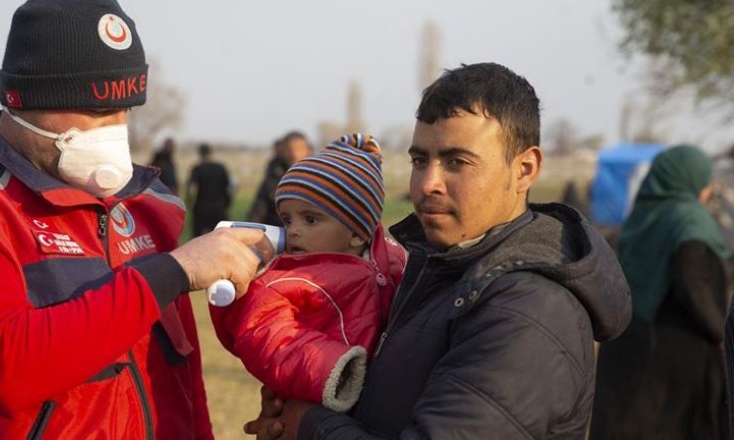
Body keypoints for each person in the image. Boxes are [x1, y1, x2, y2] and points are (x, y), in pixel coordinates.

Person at [0, 1, 265, 438]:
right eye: (94, 112)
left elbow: (180, 375)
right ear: (23, 100)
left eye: (125, 110)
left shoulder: (146, 203)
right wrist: (172, 272)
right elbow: (5, 369)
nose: (113, 129)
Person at [245, 62, 632, 439]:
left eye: (457, 162)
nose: (428, 183)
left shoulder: (529, 309)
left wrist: (311, 425)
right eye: (419, 160)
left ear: (525, 170)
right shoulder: (438, 266)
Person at [211, 134, 406, 412]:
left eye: (310, 219)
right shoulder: (286, 280)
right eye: (287, 219)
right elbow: (263, 331)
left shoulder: (394, 259)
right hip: (328, 397)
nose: (293, 230)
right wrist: (333, 368)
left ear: (356, 233)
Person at [592, 145, 732, 440]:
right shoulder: (690, 219)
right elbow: (693, 283)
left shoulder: (640, 215)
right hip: (678, 347)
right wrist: (720, 331)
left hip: (628, 335)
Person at [248, 131, 312, 226]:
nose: (294, 154)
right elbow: (258, 211)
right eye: (290, 149)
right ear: (283, 151)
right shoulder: (272, 179)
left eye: (299, 149)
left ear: (308, 150)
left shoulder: (320, 178)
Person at [187, 143, 232, 236]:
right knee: (219, 236)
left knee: (198, 238)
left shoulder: (198, 168)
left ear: (200, 153)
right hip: (218, 206)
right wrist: (227, 204)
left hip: (202, 206)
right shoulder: (220, 168)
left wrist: (189, 202)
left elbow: (190, 188)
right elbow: (228, 188)